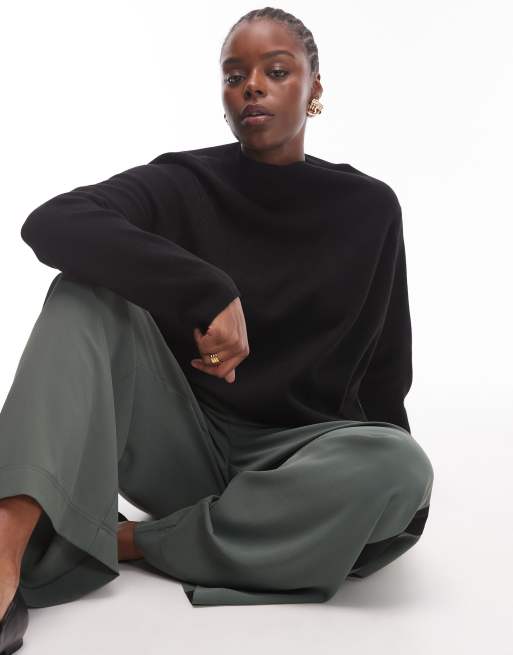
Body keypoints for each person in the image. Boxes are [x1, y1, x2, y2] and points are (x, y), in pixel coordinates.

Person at [0, 7, 434, 651]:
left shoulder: (369, 208)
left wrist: (386, 500)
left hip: (300, 457)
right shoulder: (186, 182)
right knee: (83, 292)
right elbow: (53, 221)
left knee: (399, 464)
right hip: (185, 444)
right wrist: (205, 288)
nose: (252, 86)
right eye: (235, 76)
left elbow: (385, 369)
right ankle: (6, 551)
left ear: (314, 88)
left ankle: (129, 540)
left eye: (276, 71)